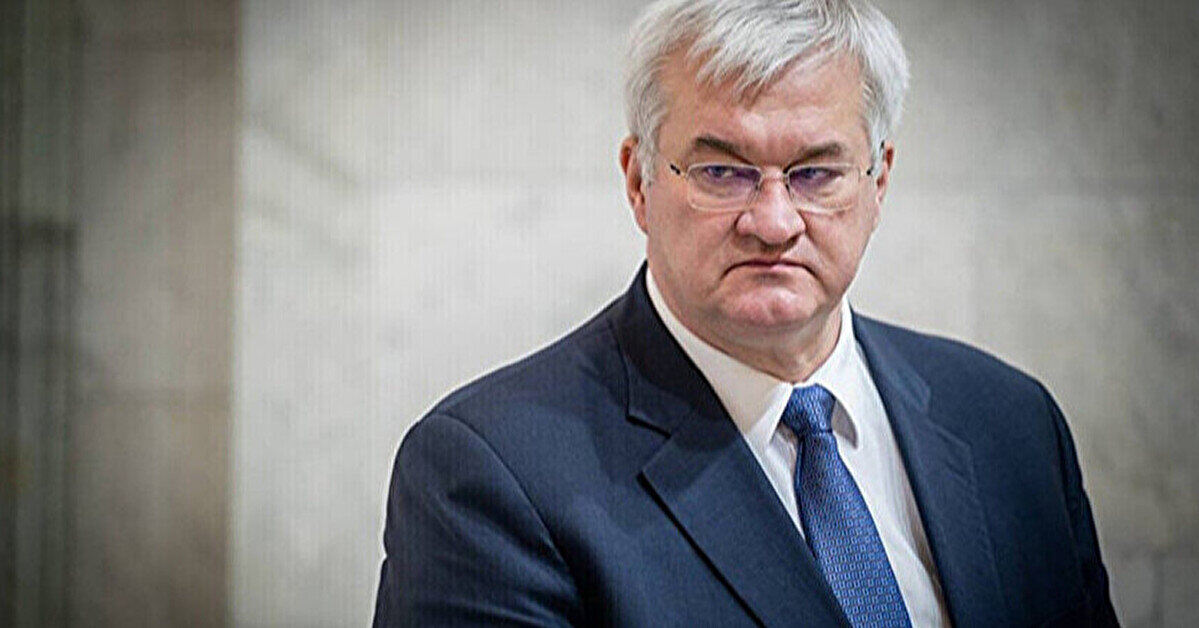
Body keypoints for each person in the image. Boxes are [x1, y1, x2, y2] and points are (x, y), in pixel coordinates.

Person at [373, 0, 1118, 625]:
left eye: (815, 173)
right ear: (637, 182)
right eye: (721, 172)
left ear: (878, 181)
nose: (772, 221)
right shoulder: (491, 475)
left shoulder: (1011, 423)